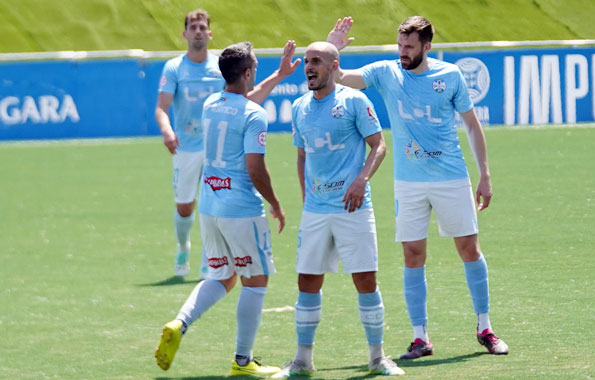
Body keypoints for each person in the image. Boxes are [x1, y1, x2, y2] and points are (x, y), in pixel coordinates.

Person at [326, 16, 509, 358]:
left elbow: (471, 125)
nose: (403, 52)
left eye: (409, 46)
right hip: (408, 182)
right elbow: (340, 79)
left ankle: (485, 327)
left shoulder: (450, 75)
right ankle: (420, 337)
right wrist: (332, 48)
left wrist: (484, 174)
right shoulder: (386, 72)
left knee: (469, 248)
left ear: (427, 46)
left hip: (451, 177)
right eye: (400, 44)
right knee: (412, 255)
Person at [272, 42, 403, 379]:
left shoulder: (355, 101)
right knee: (307, 282)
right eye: (307, 62)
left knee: (365, 280)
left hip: (353, 208)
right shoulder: (300, 107)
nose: (309, 67)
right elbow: (301, 155)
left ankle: (378, 358)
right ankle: (302, 361)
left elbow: (379, 145)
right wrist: (305, 197)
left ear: (334, 65)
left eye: (316, 61)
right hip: (316, 210)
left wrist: (361, 180)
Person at [155, 41, 286, 377]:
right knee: (255, 280)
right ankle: (243, 361)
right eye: (254, 67)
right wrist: (274, 202)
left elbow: (243, 101)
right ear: (246, 73)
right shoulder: (254, 115)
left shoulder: (212, 103)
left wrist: (280, 75)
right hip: (240, 207)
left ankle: (179, 323)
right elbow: (256, 168)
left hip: (210, 206)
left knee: (223, 276)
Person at [155, 9, 300, 278]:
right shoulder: (175, 68)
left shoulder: (219, 66)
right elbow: (162, 108)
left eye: (202, 27)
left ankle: (206, 261)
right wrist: (167, 131)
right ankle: (183, 246)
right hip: (186, 146)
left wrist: (280, 75)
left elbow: (242, 102)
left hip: (216, 151)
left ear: (209, 33)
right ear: (184, 33)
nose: (198, 31)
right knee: (185, 205)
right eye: (193, 27)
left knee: (213, 201)